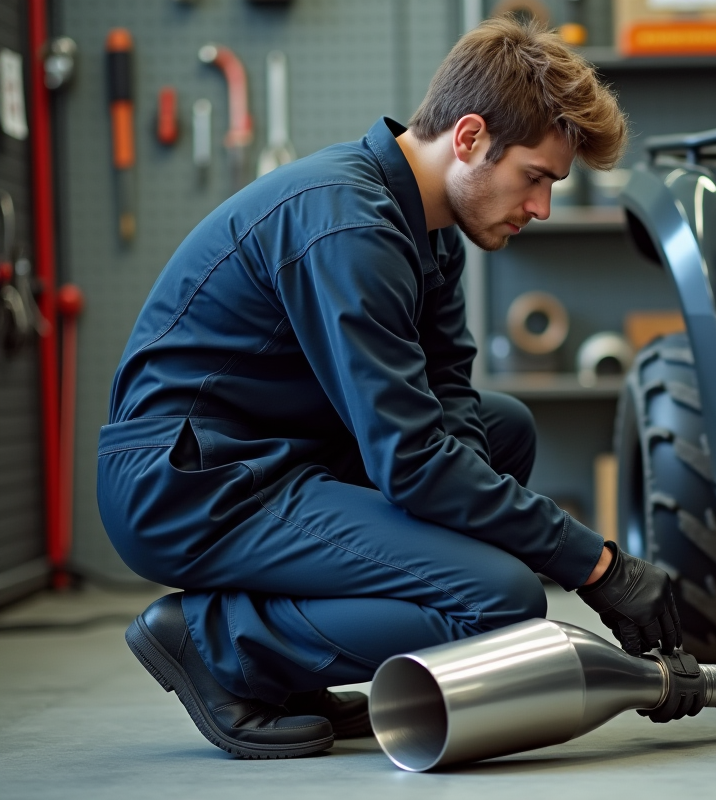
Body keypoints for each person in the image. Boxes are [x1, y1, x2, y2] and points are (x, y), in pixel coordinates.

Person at [98, 17, 683, 760]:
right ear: (468, 138)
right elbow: (412, 461)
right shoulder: (349, 226)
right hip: (191, 483)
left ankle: (291, 660)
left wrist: (481, 532)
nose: (540, 208)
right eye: (535, 177)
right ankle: (219, 644)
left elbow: (450, 402)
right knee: (501, 600)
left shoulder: (430, 227)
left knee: (506, 433)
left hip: (276, 455)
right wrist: (597, 565)